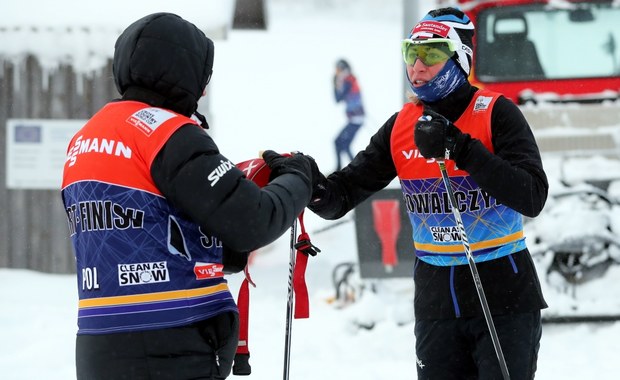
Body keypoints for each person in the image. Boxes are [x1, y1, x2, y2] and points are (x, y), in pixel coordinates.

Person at [61, 12, 318, 380]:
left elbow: (149, 232)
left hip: (99, 345)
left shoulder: (86, 139)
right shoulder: (167, 133)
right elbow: (252, 221)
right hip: (171, 341)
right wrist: (297, 177)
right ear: (182, 71)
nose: (204, 90)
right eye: (203, 76)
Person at [299, 7, 549, 380]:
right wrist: (306, 183)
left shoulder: (496, 113)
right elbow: (341, 195)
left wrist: (461, 149)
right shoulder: (402, 125)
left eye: (431, 54)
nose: (417, 66)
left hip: (503, 295)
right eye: (410, 54)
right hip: (437, 298)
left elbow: (532, 195)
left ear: (460, 57)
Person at [333, 58, 365, 170]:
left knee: (339, 142)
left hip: (356, 118)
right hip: (356, 118)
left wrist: (334, 83)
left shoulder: (348, 80)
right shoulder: (349, 79)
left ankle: (346, 169)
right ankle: (353, 169)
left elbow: (338, 98)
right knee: (342, 143)